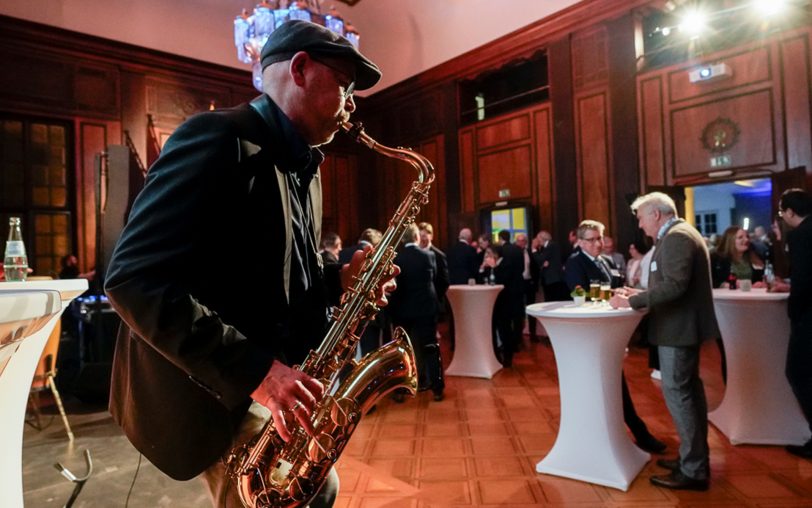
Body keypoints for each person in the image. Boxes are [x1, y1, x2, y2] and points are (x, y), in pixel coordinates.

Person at [104, 20, 393, 507]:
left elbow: (273, 273)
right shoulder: (215, 138)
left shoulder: (306, 167)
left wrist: (336, 281)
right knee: (310, 493)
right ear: (299, 69)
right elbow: (133, 277)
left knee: (319, 490)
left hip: (265, 383)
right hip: (220, 393)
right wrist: (260, 374)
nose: (352, 104)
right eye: (344, 85)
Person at [610, 192, 719, 491]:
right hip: (679, 328)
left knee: (680, 396)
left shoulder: (677, 237)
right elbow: (669, 281)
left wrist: (631, 303)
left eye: (642, 218)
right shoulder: (679, 234)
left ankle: (694, 470)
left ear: (656, 214)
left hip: (679, 330)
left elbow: (675, 286)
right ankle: (692, 458)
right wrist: (639, 293)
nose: (641, 225)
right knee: (689, 395)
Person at [564, 220, 665, 455]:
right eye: (591, 239)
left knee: (612, 381)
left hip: (610, 329)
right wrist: (609, 294)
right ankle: (631, 432)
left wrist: (621, 291)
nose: (598, 243)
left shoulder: (606, 261)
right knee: (606, 383)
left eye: (600, 238)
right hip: (590, 332)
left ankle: (627, 432)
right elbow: (579, 294)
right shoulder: (574, 263)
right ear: (580, 242)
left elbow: (617, 286)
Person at [774, 189, 812, 459]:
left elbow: (805, 281)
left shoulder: (800, 235)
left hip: (809, 317)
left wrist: (793, 313)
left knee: (798, 373)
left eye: (781, 212)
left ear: (789, 212)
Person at [389, 224, 444, 401]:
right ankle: (437, 388)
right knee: (430, 347)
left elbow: (395, 288)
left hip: (403, 311)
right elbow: (435, 281)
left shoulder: (397, 259)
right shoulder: (429, 256)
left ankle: (400, 390)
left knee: (402, 351)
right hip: (426, 309)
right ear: (416, 237)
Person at [532, 230, 569, 302]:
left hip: (553, 279)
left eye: (537, 238)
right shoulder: (548, 246)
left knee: (552, 300)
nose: (536, 240)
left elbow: (540, 259)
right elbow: (543, 261)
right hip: (552, 279)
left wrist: (533, 249)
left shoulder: (551, 245)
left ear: (541, 238)